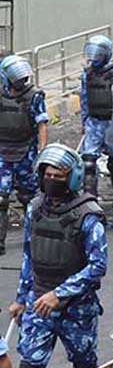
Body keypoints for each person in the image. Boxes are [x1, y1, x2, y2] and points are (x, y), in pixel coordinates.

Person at [10, 144, 106, 368]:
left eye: (59, 176)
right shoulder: (35, 208)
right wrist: (21, 298)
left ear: (72, 178)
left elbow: (97, 266)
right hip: (39, 300)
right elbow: (29, 256)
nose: (52, 180)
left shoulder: (88, 215)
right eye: (48, 175)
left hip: (77, 308)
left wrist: (59, 294)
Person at [0, 56, 47, 255]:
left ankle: (34, 237)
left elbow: (42, 124)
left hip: (25, 151)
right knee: (1, 198)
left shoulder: (34, 96)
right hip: (3, 151)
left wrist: (41, 153)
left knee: (30, 198)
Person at [79, 35, 113, 206]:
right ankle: (90, 198)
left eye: (98, 55)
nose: (94, 59)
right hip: (94, 122)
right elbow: (84, 98)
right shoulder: (87, 73)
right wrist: (84, 121)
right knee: (88, 162)